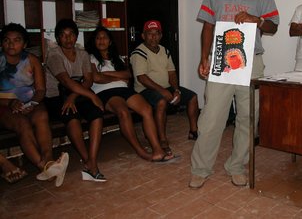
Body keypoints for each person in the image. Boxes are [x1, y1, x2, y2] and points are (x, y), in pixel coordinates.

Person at [190, 0, 279, 188]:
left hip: (251, 61)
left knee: (248, 117)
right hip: (221, 60)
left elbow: (273, 25)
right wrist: (204, 57)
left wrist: (257, 20)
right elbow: (207, 25)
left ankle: (237, 165)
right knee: (211, 116)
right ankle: (201, 168)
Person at [86, 26, 178, 162]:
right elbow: (96, 78)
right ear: (94, 41)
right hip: (105, 92)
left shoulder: (116, 58)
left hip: (124, 90)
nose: (101, 41)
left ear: (110, 41)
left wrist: (105, 74)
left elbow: (128, 74)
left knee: (146, 109)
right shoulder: (90, 58)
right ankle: (141, 151)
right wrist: (117, 77)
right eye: (98, 38)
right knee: (123, 112)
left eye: (104, 38)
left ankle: (157, 149)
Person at [0, 23, 69, 187]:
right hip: (4, 105)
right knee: (22, 123)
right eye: (7, 40)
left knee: (42, 116)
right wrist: (10, 103)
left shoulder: (32, 60)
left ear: (24, 44)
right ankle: (43, 165)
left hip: (30, 103)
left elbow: (40, 89)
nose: (11, 44)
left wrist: (33, 103)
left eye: (16, 40)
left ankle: (49, 160)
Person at [44, 19, 106, 182]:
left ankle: (92, 159)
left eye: (71, 34)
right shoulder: (53, 54)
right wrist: (92, 95)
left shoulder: (83, 54)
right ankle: (89, 163)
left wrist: (73, 96)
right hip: (56, 97)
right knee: (72, 117)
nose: (68, 38)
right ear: (58, 38)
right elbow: (65, 81)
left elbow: (88, 80)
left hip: (78, 95)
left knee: (97, 114)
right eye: (63, 35)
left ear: (76, 36)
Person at [130, 20, 199, 155]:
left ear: (160, 36)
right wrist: (163, 91)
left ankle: (193, 131)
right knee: (161, 102)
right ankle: (162, 139)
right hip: (144, 90)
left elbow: (172, 73)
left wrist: (176, 90)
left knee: (192, 97)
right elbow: (142, 78)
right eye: (150, 34)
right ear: (143, 36)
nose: (153, 37)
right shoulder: (138, 53)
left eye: (157, 34)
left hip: (165, 87)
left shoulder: (165, 51)